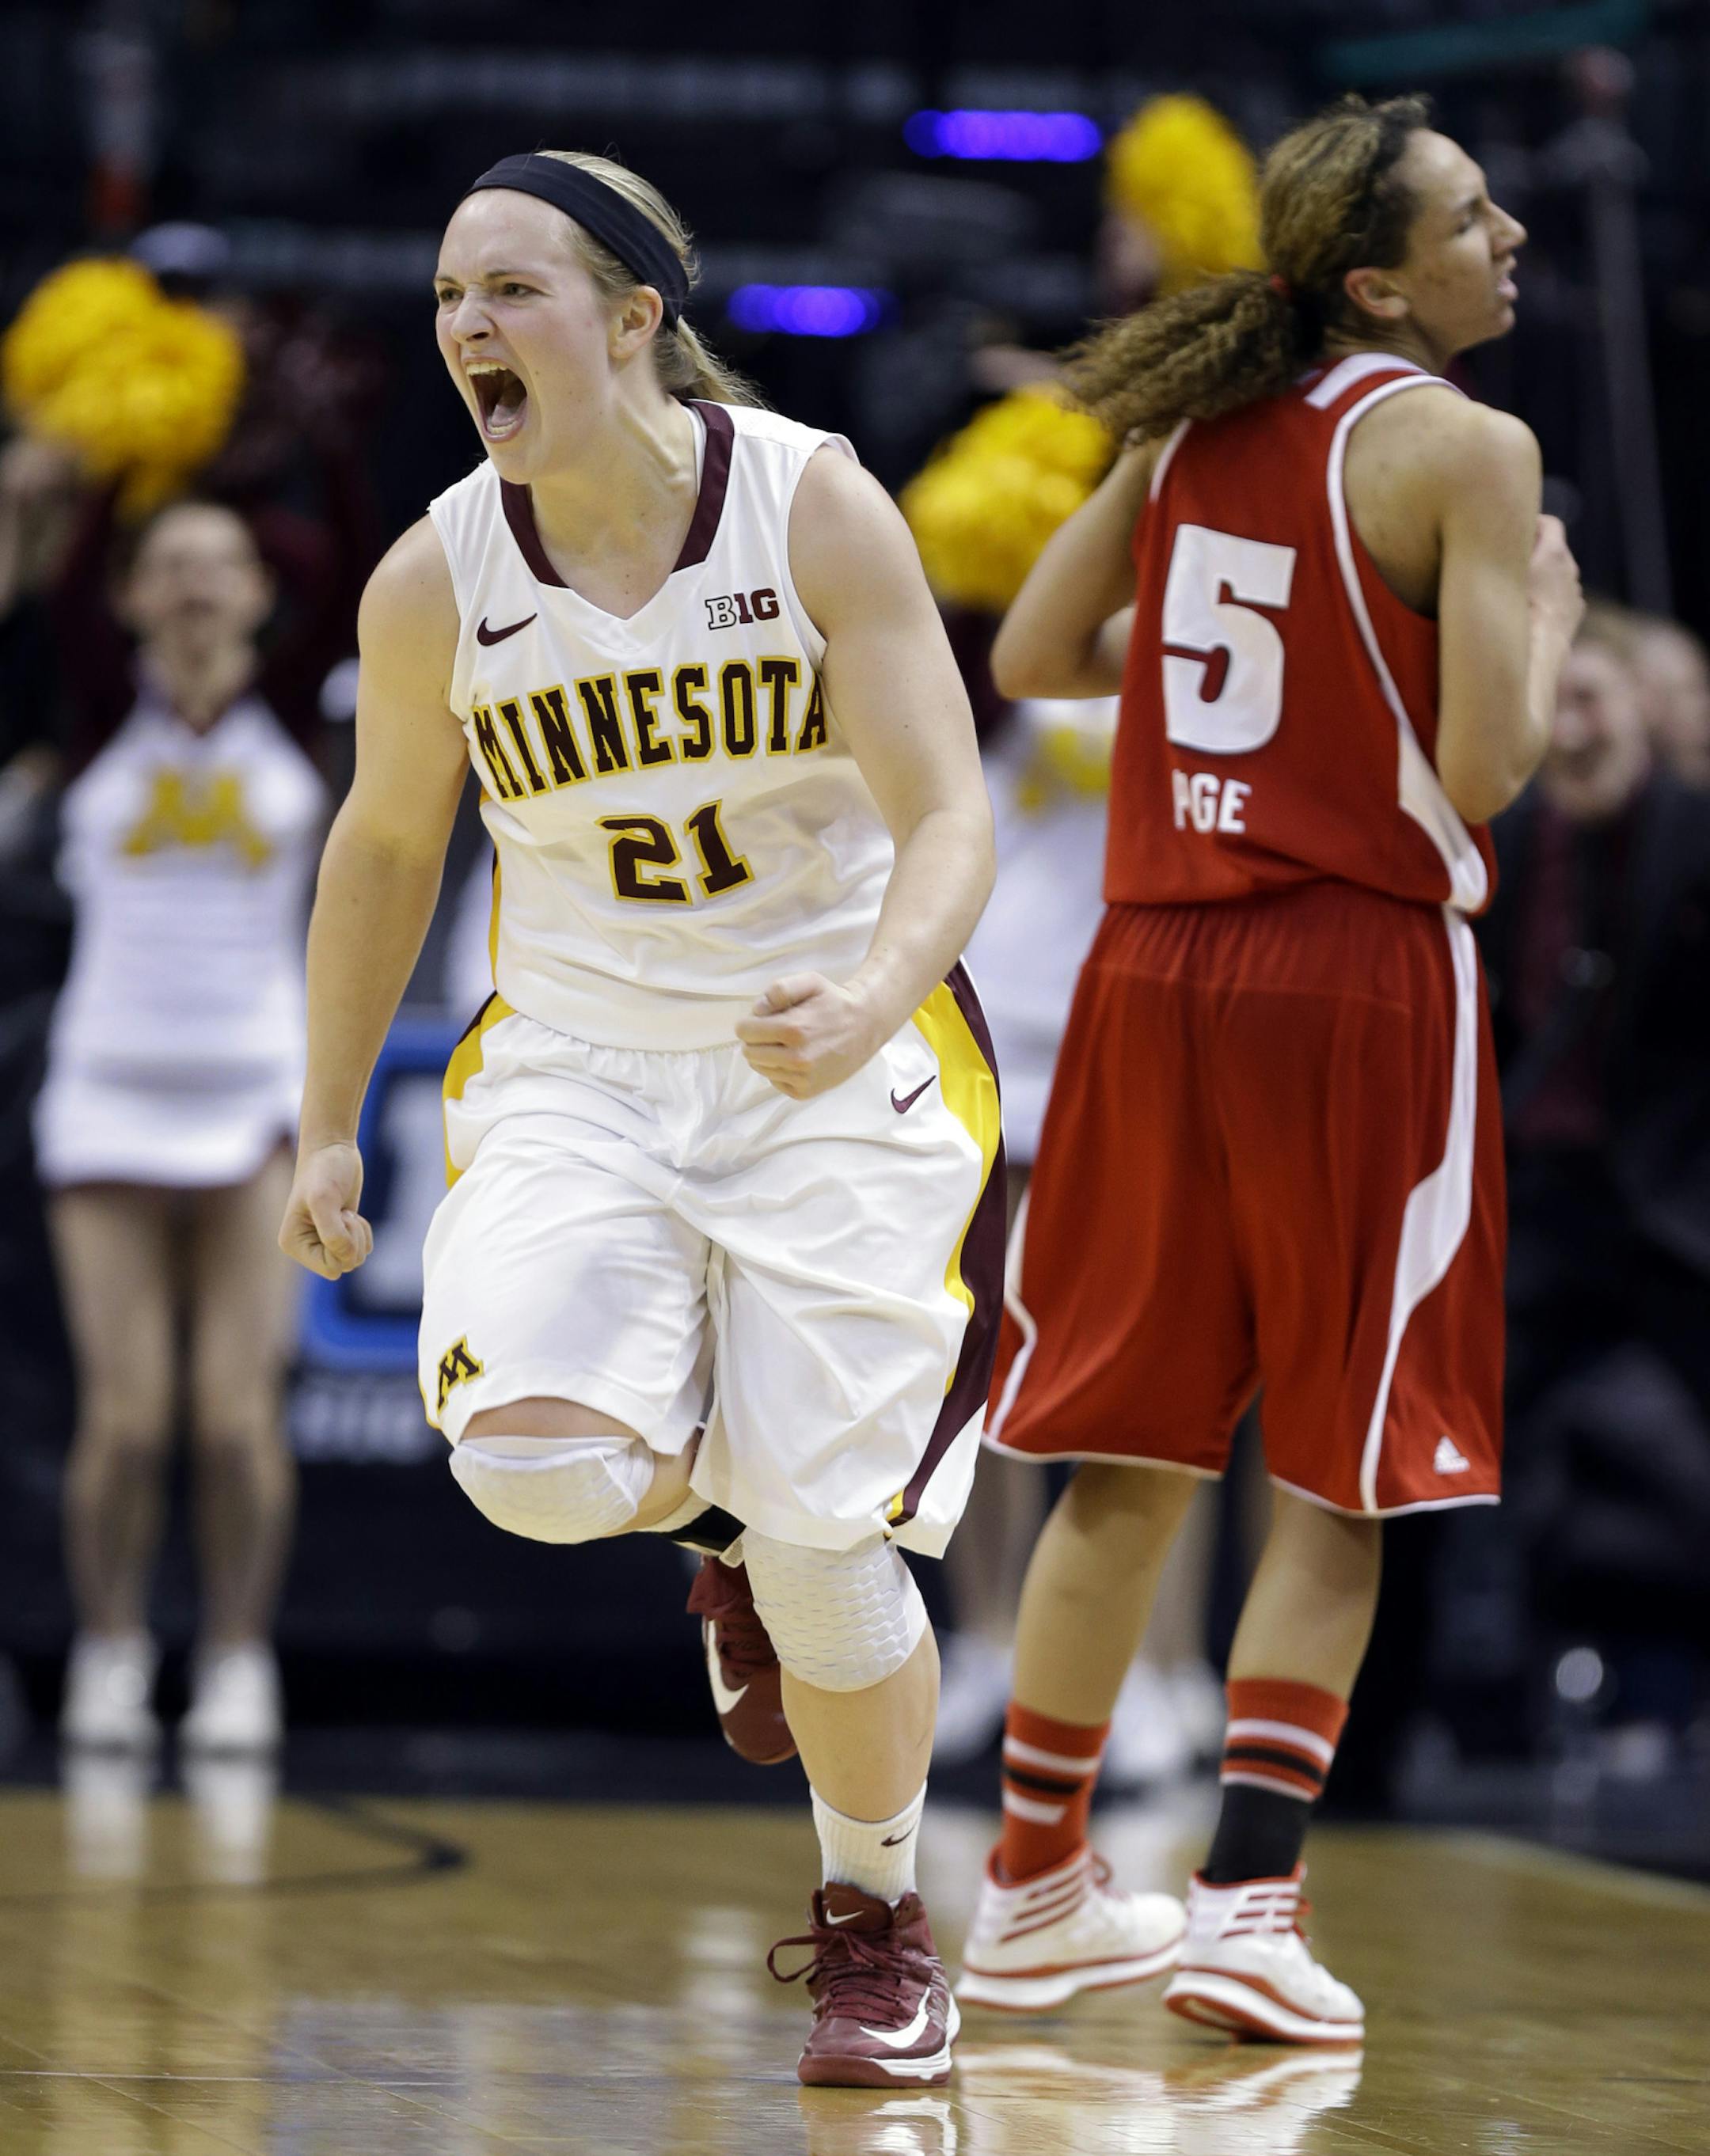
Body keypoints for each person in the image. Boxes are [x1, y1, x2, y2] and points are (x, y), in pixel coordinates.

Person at [277, 150, 1002, 2090]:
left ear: (632, 318)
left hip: (834, 1057)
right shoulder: (440, 573)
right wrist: (327, 1122)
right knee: (525, 1466)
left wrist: (865, 995)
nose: (465, 329)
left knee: (840, 1559)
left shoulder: (814, 506)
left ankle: (879, 1928)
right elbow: (383, 851)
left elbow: (951, 814)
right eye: (447, 297)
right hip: (586, 1064)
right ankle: (720, 1533)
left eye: (509, 290)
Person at [955, 94, 1583, 2041]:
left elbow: (1039, 658)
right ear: (1380, 280)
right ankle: (1244, 1909)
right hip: (1350, 975)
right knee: (1340, 1476)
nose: (1517, 242)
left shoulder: (1183, 428)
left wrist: (1264, 650)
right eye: (1478, 219)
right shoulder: (1471, 450)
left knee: (1129, 1459)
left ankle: (1038, 1883)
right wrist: (1546, 619)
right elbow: (1485, 770)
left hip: (1149, 965)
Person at [44, 499, 325, 1753]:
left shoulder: (309, 713)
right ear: (128, 595)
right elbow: (54, 602)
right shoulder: (97, 710)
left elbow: (344, 547)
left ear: (265, 591)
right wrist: (111, 464)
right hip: (107, 1091)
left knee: (230, 1418)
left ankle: (235, 1655)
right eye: (169, 567)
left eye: (224, 564)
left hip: (255, 1094)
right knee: (127, 1419)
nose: (199, 586)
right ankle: (110, 1648)